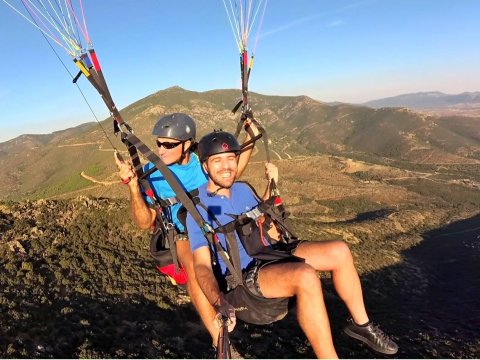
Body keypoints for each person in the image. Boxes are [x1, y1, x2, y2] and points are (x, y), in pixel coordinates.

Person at [186, 130, 399, 358]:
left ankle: (361, 325)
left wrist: (272, 184)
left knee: (340, 251)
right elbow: (201, 266)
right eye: (217, 160)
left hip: (268, 251)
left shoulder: (243, 189)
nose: (226, 166)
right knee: (305, 275)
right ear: (205, 167)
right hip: (244, 276)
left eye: (231, 158)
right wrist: (218, 302)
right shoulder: (198, 208)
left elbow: (262, 218)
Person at [114, 113, 259, 346]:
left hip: (215, 222)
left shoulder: (202, 161)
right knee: (193, 266)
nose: (161, 149)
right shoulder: (152, 173)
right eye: (159, 143)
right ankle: (220, 340)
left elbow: (232, 172)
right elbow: (144, 222)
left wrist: (251, 137)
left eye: (168, 144)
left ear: (187, 145)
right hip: (182, 231)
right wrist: (132, 186)